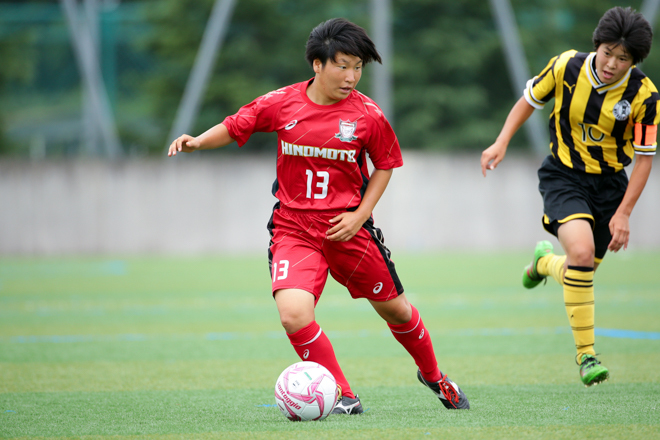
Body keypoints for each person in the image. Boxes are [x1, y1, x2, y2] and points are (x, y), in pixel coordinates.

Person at [169, 18, 469, 411]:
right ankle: (344, 395)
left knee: (396, 310)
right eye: (342, 65)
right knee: (293, 315)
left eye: (358, 66)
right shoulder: (281, 103)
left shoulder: (368, 115)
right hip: (294, 227)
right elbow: (235, 125)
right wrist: (197, 143)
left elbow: (386, 164)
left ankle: (434, 376)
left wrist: (361, 215)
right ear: (318, 64)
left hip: (348, 230)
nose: (351, 76)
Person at [481, 7, 658, 387]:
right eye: (608, 52)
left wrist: (624, 212)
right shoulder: (566, 66)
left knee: (583, 270)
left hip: (611, 185)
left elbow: (644, 160)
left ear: (634, 61)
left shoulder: (645, 96)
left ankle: (543, 264)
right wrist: (501, 141)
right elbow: (530, 99)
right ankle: (587, 356)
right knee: (580, 255)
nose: (612, 63)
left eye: (623, 59)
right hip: (564, 174)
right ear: (598, 44)